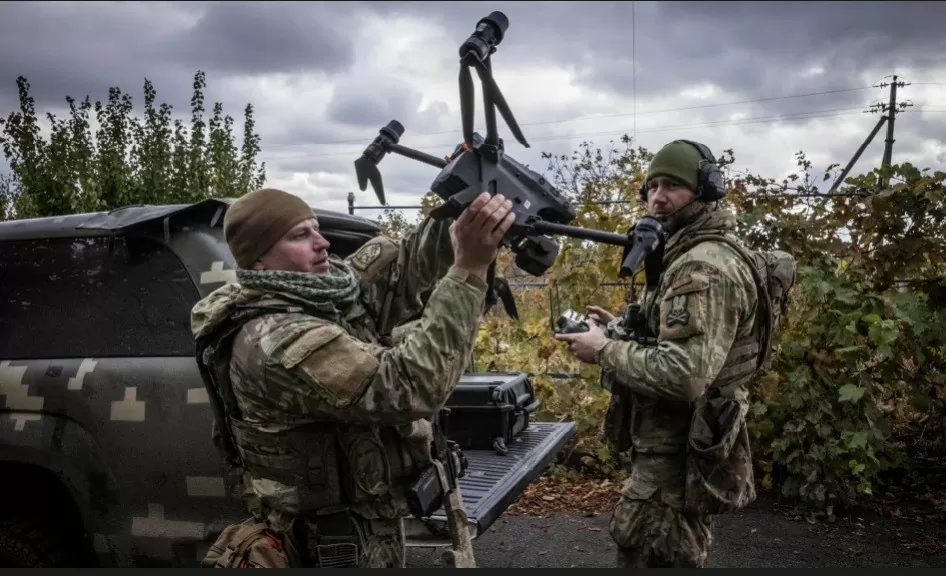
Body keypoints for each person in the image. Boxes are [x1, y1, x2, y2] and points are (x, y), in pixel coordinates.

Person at [191, 187, 515, 568]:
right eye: (300, 235)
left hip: (363, 528)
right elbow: (407, 387)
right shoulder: (277, 341)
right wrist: (470, 271)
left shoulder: (323, 293)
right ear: (259, 259)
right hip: (331, 544)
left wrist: (460, 202)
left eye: (316, 229)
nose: (322, 243)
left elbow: (402, 270)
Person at [554, 140, 795, 568]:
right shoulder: (697, 253)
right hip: (677, 454)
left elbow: (683, 376)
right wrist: (619, 331)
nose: (658, 197)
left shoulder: (699, 267)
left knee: (654, 555)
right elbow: (689, 346)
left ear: (704, 190)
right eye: (652, 186)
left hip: (672, 464)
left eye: (673, 186)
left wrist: (605, 351)